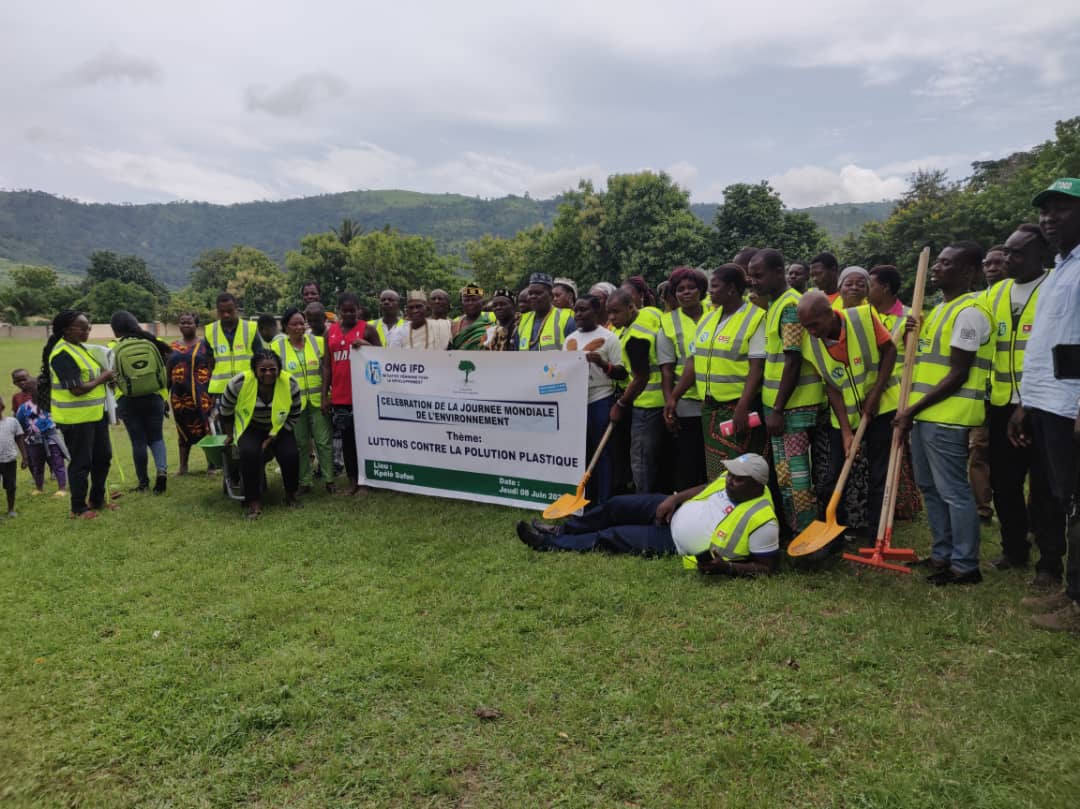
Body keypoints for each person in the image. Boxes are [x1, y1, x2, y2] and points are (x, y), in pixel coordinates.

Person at [895, 241, 993, 586]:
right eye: (936, 262)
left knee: (953, 491)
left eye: (946, 264)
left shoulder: (970, 312)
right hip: (924, 416)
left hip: (947, 417)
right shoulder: (937, 310)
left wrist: (912, 410)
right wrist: (910, 333)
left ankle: (965, 566)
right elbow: (921, 362)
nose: (936, 268)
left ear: (969, 272)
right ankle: (942, 554)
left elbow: (958, 374)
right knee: (929, 488)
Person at [515, 453, 779, 577]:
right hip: (673, 510)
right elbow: (707, 487)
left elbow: (765, 568)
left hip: (674, 541)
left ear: (757, 484)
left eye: (738, 479)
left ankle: (549, 544)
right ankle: (562, 530)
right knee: (615, 505)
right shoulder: (732, 480)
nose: (730, 481)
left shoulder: (763, 521)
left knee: (611, 536)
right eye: (730, 474)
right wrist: (674, 499)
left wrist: (727, 568)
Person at [1008, 178, 1080, 631]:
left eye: (1061, 210)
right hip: (1049, 403)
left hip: (1071, 408)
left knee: (1077, 503)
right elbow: (1049, 345)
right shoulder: (1062, 269)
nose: (1048, 219)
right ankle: (1070, 589)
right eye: (1044, 212)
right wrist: (1025, 403)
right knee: (1064, 499)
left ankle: (1077, 604)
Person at [984, 224, 1055, 576]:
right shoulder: (997, 292)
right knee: (1005, 484)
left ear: (1041, 255)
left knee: (1044, 488)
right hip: (1000, 405)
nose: (1008, 258)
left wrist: (1028, 402)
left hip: (1043, 406)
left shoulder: (1055, 287)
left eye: (1017, 253)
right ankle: (1014, 550)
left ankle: (1049, 562)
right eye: (1007, 251)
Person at [798, 292, 898, 537]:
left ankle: (876, 532)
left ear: (829, 314)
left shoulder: (863, 318)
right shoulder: (810, 342)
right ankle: (834, 531)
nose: (810, 331)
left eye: (814, 325)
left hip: (882, 408)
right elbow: (831, 386)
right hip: (845, 415)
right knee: (832, 474)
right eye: (805, 326)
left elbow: (890, 351)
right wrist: (844, 431)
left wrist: (875, 393)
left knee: (878, 473)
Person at [747, 249, 824, 536]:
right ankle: (796, 532)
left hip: (793, 408)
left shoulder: (791, 305)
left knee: (797, 477)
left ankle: (808, 537)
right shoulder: (776, 304)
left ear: (779, 272)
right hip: (779, 407)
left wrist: (778, 409)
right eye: (751, 275)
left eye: (759, 275)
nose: (753, 281)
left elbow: (792, 360)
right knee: (785, 476)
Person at [670, 264, 766, 480]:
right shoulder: (709, 319)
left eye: (715, 286)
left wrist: (742, 407)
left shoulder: (755, 318)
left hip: (739, 410)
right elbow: (693, 362)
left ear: (731, 289)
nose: (710, 291)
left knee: (742, 472)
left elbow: (756, 369)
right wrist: (674, 397)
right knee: (716, 471)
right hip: (711, 411)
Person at [38, 309, 115, 519]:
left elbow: (93, 375)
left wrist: (107, 378)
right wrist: (104, 377)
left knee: (103, 457)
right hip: (76, 419)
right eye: (82, 327)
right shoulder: (62, 354)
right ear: (66, 330)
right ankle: (78, 508)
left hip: (96, 414)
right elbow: (77, 389)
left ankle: (97, 500)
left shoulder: (81, 348)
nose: (86, 331)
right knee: (82, 463)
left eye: (88, 327)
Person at [219, 350, 302, 518]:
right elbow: (225, 410)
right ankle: (254, 502)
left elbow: (294, 413)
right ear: (254, 370)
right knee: (249, 453)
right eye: (263, 370)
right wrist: (229, 435)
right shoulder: (238, 383)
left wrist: (273, 437)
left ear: (279, 369)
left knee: (290, 454)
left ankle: (291, 494)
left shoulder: (290, 383)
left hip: (279, 428)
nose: (268, 373)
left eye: (273, 369)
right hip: (251, 427)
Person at [868, 265, 922, 522]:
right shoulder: (866, 314)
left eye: (871, 284)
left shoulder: (910, 317)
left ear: (885, 287)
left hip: (895, 397)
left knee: (895, 454)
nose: (868, 289)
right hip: (869, 395)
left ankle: (899, 508)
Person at [563, 294, 625, 505]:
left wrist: (601, 363)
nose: (579, 315)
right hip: (577, 401)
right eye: (576, 311)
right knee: (582, 451)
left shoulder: (609, 338)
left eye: (584, 310)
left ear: (597, 311)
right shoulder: (570, 339)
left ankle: (604, 500)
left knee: (603, 451)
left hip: (601, 398)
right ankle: (585, 498)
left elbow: (622, 373)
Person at [607, 290, 666, 494]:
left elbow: (641, 378)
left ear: (631, 307)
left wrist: (621, 404)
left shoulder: (634, 338)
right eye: (609, 313)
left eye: (616, 312)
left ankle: (643, 503)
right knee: (657, 459)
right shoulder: (651, 312)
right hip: (664, 400)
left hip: (646, 405)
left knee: (641, 461)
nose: (612, 318)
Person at [322, 291, 380, 496]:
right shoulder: (330, 333)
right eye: (344, 311)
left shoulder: (368, 329)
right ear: (338, 311)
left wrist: (365, 345)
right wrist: (324, 396)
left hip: (364, 395)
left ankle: (366, 482)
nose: (348, 314)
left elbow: (382, 358)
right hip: (341, 396)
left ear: (359, 310)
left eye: (352, 310)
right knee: (347, 441)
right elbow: (327, 366)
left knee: (365, 439)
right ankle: (352, 480)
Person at [658, 267, 709, 490]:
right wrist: (670, 403)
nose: (686, 293)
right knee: (688, 460)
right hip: (686, 402)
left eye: (691, 288)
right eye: (680, 289)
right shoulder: (668, 323)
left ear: (701, 290)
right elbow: (667, 370)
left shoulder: (716, 313)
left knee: (714, 460)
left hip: (717, 399)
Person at [111, 310, 172, 494]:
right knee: (157, 437)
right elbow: (165, 366)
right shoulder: (151, 342)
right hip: (154, 397)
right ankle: (161, 471)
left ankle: (143, 483)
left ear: (115, 330)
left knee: (138, 441)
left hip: (127, 399)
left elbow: (110, 376)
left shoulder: (113, 347)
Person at [274, 307, 334, 494]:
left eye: (302, 323)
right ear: (285, 326)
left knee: (323, 442)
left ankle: (329, 480)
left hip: (318, 401)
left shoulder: (316, 342)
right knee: (300, 444)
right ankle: (305, 481)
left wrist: (325, 397)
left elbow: (325, 370)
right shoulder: (277, 347)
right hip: (294, 405)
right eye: (295, 324)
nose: (300, 327)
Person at [167, 312, 213, 476]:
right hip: (180, 397)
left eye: (189, 323)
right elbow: (168, 371)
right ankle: (183, 467)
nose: (186, 325)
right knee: (182, 431)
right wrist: (165, 394)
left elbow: (212, 367)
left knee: (206, 428)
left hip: (202, 395)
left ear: (196, 325)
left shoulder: (205, 345)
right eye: (182, 322)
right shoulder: (172, 347)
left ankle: (212, 465)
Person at [13, 375, 68, 497]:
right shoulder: (24, 408)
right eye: (35, 389)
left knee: (57, 462)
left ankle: (62, 487)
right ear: (29, 392)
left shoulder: (51, 403)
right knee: (37, 465)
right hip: (34, 441)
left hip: (52, 438)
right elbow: (20, 423)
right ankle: (39, 487)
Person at [206, 292, 259, 399]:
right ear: (217, 311)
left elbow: (260, 359)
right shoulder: (210, 331)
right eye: (222, 312)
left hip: (246, 387)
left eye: (230, 311)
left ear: (237, 308)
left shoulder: (250, 328)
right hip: (220, 391)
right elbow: (209, 363)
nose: (226, 314)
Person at [518, 273, 575, 351]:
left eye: (538, 293)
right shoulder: (522, 321)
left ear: (551, 296)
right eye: (530, 293)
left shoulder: (566, 319)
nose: (533, 296)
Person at [0, 398, 27, 517]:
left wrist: (25, 457)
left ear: (2, 407)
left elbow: (19, 438)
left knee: (11, 486)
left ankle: (11, 510)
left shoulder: (12, 422)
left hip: (9, 460)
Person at [450, 284, 495, 350]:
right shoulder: (454, 324)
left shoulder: (492, 322)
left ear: (481, 301)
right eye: (466, 300)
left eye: (474, 299)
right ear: (462, 302)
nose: (470, 303)